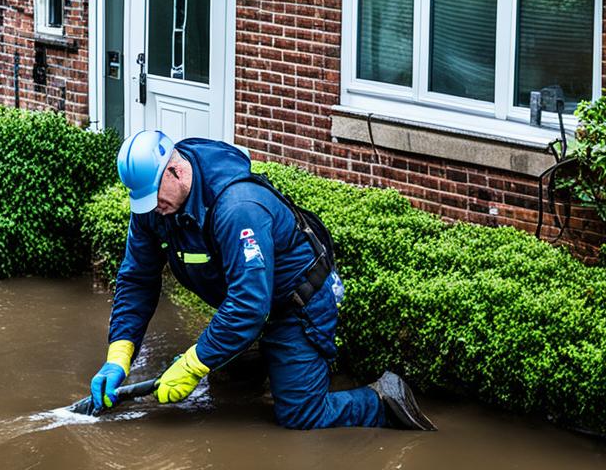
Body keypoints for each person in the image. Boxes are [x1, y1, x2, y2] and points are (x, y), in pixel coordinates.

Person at [88, 129, 435, 431]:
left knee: (301, 414)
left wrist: (193, 364)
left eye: (155, 198)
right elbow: (137, 278)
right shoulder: (155, 207)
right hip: (247, 302)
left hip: (295, 304)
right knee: (230, 393)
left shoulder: (237, 206)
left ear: (177, 172)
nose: (153, 208)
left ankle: (383, 400)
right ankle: (264, 364)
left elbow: (249, 305)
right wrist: (118, 355)